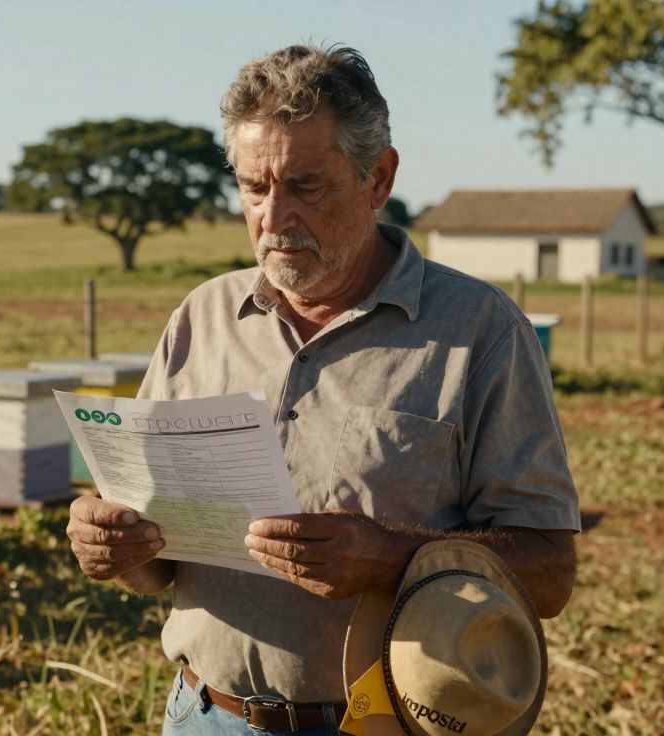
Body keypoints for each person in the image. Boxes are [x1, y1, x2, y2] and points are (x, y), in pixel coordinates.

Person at [64, 44, 580, 735]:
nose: (273, 218)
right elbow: (157, 565)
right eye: (253, 186)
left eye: (306, 187)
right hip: (202, 716)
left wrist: (390, 558)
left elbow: (548, 573)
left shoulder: (480, 332)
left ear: (379, 177)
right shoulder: (200, 319)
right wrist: (117, 549)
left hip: (377, 724)